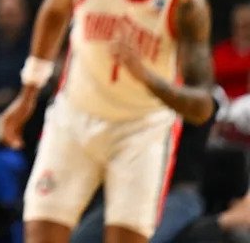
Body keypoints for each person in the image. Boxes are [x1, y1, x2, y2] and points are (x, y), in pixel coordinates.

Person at [0, 0, 214, 243]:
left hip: (141, 129)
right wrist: (28, 94)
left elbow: (202, 106)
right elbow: (53, 15)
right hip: (75, 116)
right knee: (40, 234)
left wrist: (144, 75)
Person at [70, 87, 219, 243]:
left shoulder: (201, 104)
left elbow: (199, 110)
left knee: (144, 238)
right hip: (133, 190)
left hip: (177, 193)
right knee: (81, 238)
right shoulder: (135, 99)